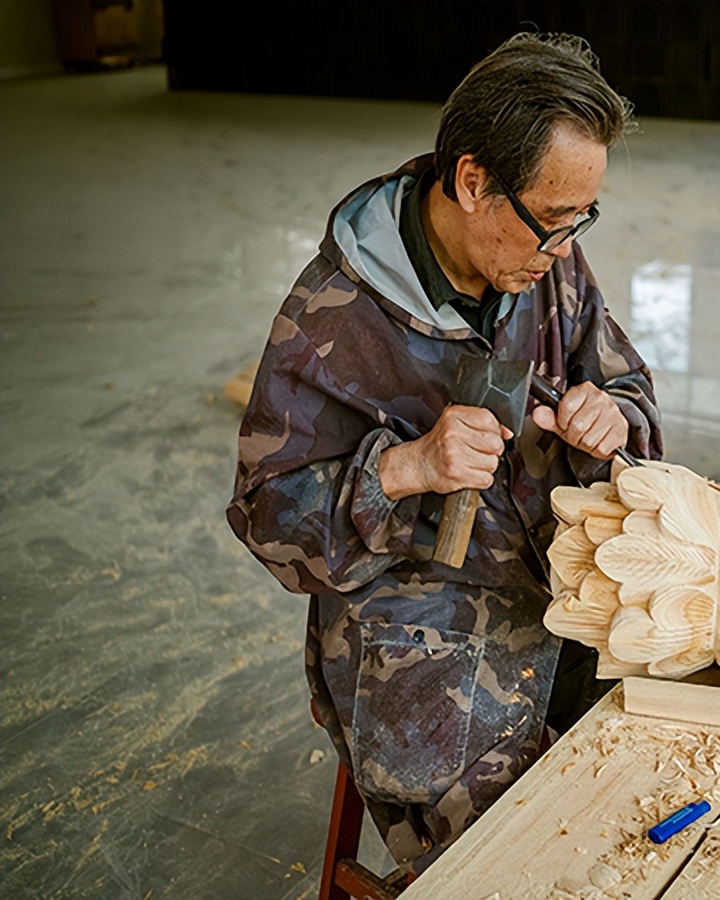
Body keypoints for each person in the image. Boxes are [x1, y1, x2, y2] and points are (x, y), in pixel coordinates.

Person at [226, 32, 662, 882]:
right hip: (419, 636)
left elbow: (631, 386)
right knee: (535, 863)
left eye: (585, 219)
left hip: (558, 586)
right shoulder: (333, 317)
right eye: (554, 220)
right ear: (473, 181)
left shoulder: (546, 264)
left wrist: (614, 418)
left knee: (660, 773)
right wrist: (404, 470)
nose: (567, 248)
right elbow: (264, 518)